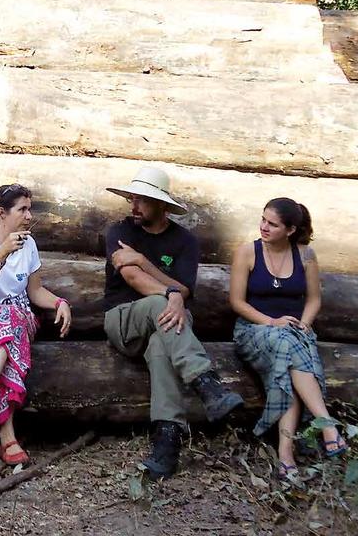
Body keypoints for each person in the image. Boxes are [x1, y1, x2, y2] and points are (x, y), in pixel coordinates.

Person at [102, 166, 244, 480]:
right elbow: (133, 277)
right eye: (133, 198)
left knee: (161, 345)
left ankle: (167, 444)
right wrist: (170, 291)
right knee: (160, 305)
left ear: (163, 205)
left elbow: (182, 289)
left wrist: (151, 269)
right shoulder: (120, 232)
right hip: (123, 321)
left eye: (144, 200)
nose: (135, 205)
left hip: (164, 326)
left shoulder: (184, 242)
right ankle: (206, 383)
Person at [0, 183, 73, 465]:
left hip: (17, 318)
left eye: (30, 210)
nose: (29, 216)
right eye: (23, 210)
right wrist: (3, 252)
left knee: (8, 317)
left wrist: (59, 302)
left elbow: (34, 292)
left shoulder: (29, 244)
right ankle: (8, 439)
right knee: (4, 339)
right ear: (2, 213)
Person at [229, 197, 347, 479]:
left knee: (287, 361)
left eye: (273, 224)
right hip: (254, 329)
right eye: (263, 220)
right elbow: (237, 302)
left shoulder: (306, 255)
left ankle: (285, 453)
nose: (264, 227)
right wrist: (272, 322)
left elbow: (314, 300)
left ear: (291, 230)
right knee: (286, 343)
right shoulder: (248, 252)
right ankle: (327, 425)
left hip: (295, 332)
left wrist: (305, 324)